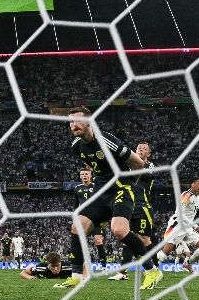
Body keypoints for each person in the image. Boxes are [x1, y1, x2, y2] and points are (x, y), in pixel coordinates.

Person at [56, 107, 162, 290]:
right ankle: (76, 276)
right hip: (101, 192)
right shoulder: (77, 146)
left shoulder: (106, 140)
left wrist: (128, 184)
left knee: (119, 230)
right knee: (77, 227)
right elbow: (97, 166)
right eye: (70, 122)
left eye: (78, 121)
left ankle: (152, 271)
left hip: (121, 189)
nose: (73, 125)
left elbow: (138, 163)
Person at [109, 142, 158, 281]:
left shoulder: (150, 166)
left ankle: (155, 267)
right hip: (129, 204)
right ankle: (122, 272)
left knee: (144, 239)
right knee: (126, 238)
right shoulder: (128, 165)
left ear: (149, 154)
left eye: (144, 149)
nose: (141, 150)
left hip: (143, 206)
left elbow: (144, 173)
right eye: (138, 148)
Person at [156, 178, 199, 274]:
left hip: (188, 227)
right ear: (192, 185)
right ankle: (151, 268)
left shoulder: (197, 197)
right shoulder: (186, 195)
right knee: (167, 250)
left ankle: (188, 263)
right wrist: (194, 225)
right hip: (177, 225)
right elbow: (179, 213)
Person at [75, 168, 107, 271]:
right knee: (80, 242)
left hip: (95, 218)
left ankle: (104, 267)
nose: (84, 176)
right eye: (82, 174)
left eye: (86, 174)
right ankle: (82, 266)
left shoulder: (95, 187)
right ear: (80, 176)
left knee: (98, 241)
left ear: (90, 175)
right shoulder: (77, 188)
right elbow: (76, 205)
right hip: (83, 219)